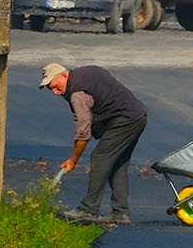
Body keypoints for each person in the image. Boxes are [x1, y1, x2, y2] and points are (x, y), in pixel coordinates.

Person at [41, 61, 148, 224]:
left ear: (64, 75)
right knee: (117, 163)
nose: (55, 92)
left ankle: (88, 210)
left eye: (55, 85)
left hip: (125, 119)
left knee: (100, 158)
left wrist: (73, 160)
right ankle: (120, 212)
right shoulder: (86, 72)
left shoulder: (77, 93)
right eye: (50, 89)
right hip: (137, 116)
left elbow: (83, 132)